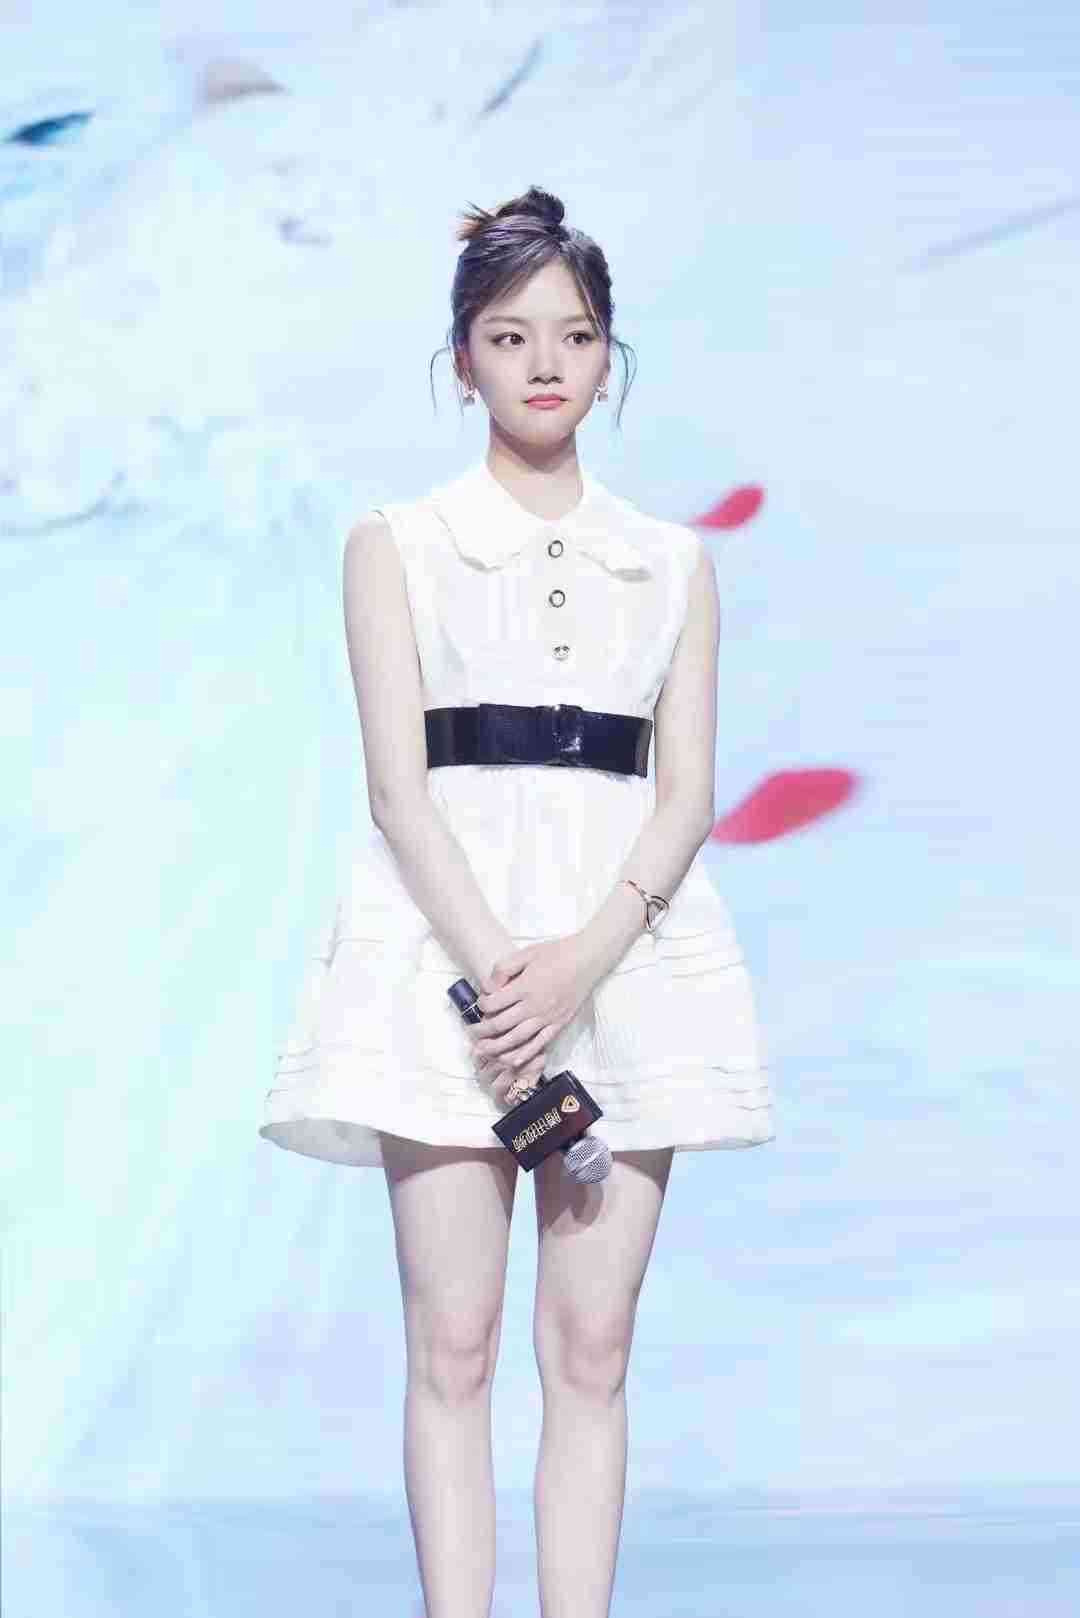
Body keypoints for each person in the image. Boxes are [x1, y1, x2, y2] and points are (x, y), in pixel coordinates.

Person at [261, 184, 774, 1618]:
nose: (546, 362)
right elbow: (397, 787)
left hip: (628, 959)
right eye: (510, 335)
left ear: (611, 356)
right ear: (462, 359)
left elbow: (686, 793)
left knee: (592, 1350)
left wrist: (580, 964)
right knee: (455, 1345)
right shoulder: (396, 542)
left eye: (575, 333)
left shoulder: (672, 561)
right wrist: (505, 976)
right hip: (444, 959)